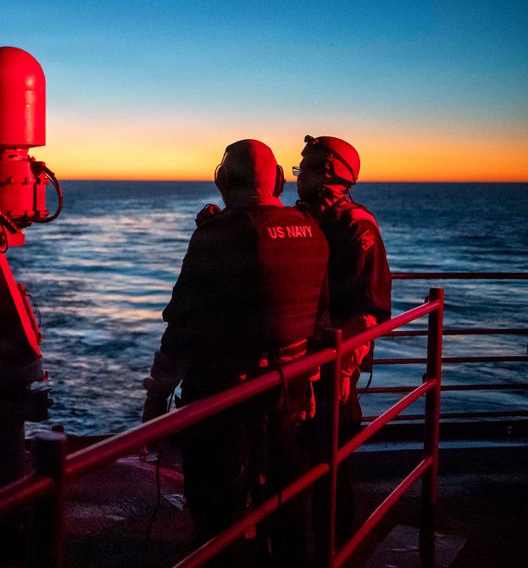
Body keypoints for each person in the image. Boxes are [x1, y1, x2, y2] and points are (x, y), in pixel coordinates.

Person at [143, 139, 329, 567]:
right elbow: (320, 319)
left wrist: (156, 397)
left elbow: (183, 326)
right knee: (288, 503)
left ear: (223, 179)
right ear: (278, 180)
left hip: (224, 398)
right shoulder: (310, 229)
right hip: (291, 392)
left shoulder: (217, 234)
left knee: (217, 511)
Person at [294, 135, 392, 542]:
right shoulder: (303, 219)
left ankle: (334, 548)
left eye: (305, 168)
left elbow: (365, 311)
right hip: (298, 364)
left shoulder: (356, 228)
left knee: (330, 467)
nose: (298, 176)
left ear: (329, 173)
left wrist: (344, 372)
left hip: (331, 370)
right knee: (294, 466)